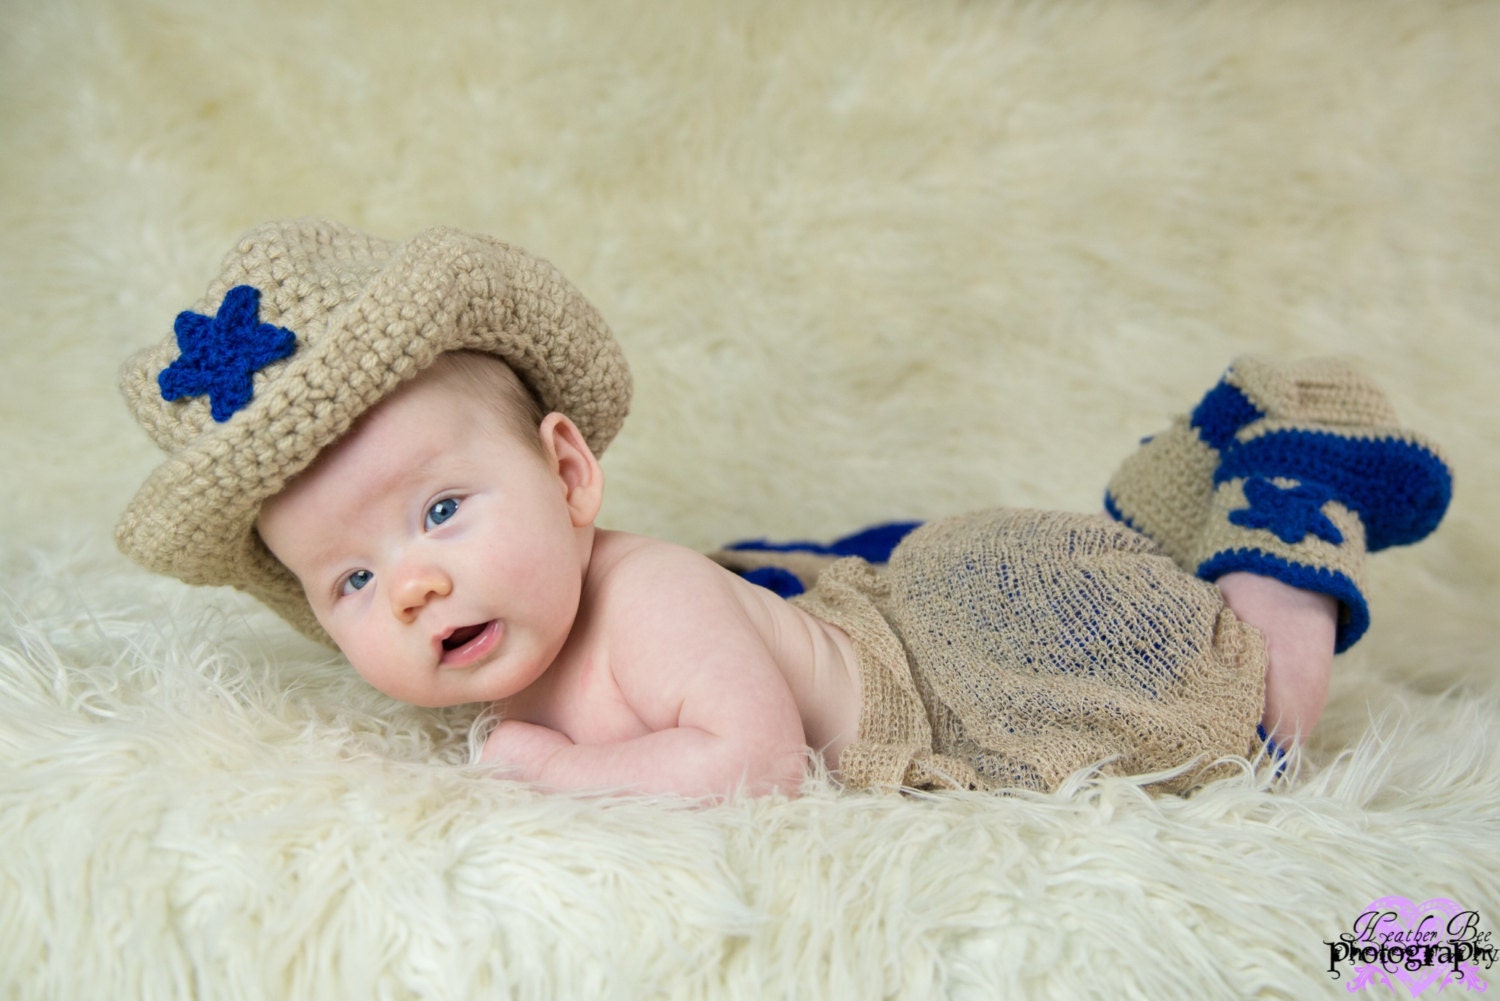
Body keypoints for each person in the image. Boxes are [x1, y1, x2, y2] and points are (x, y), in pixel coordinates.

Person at [115, 220, 1454, 800]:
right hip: (866, 599)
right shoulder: (533, 629)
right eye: (348, 581)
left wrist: (556, 768)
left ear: (571, 476)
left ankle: (1288, 482)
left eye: (442, 509)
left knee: (1223, 713)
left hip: (973, 668)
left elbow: (748, 767)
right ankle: (1176, 476)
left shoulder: (650, 597)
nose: (407, 586)